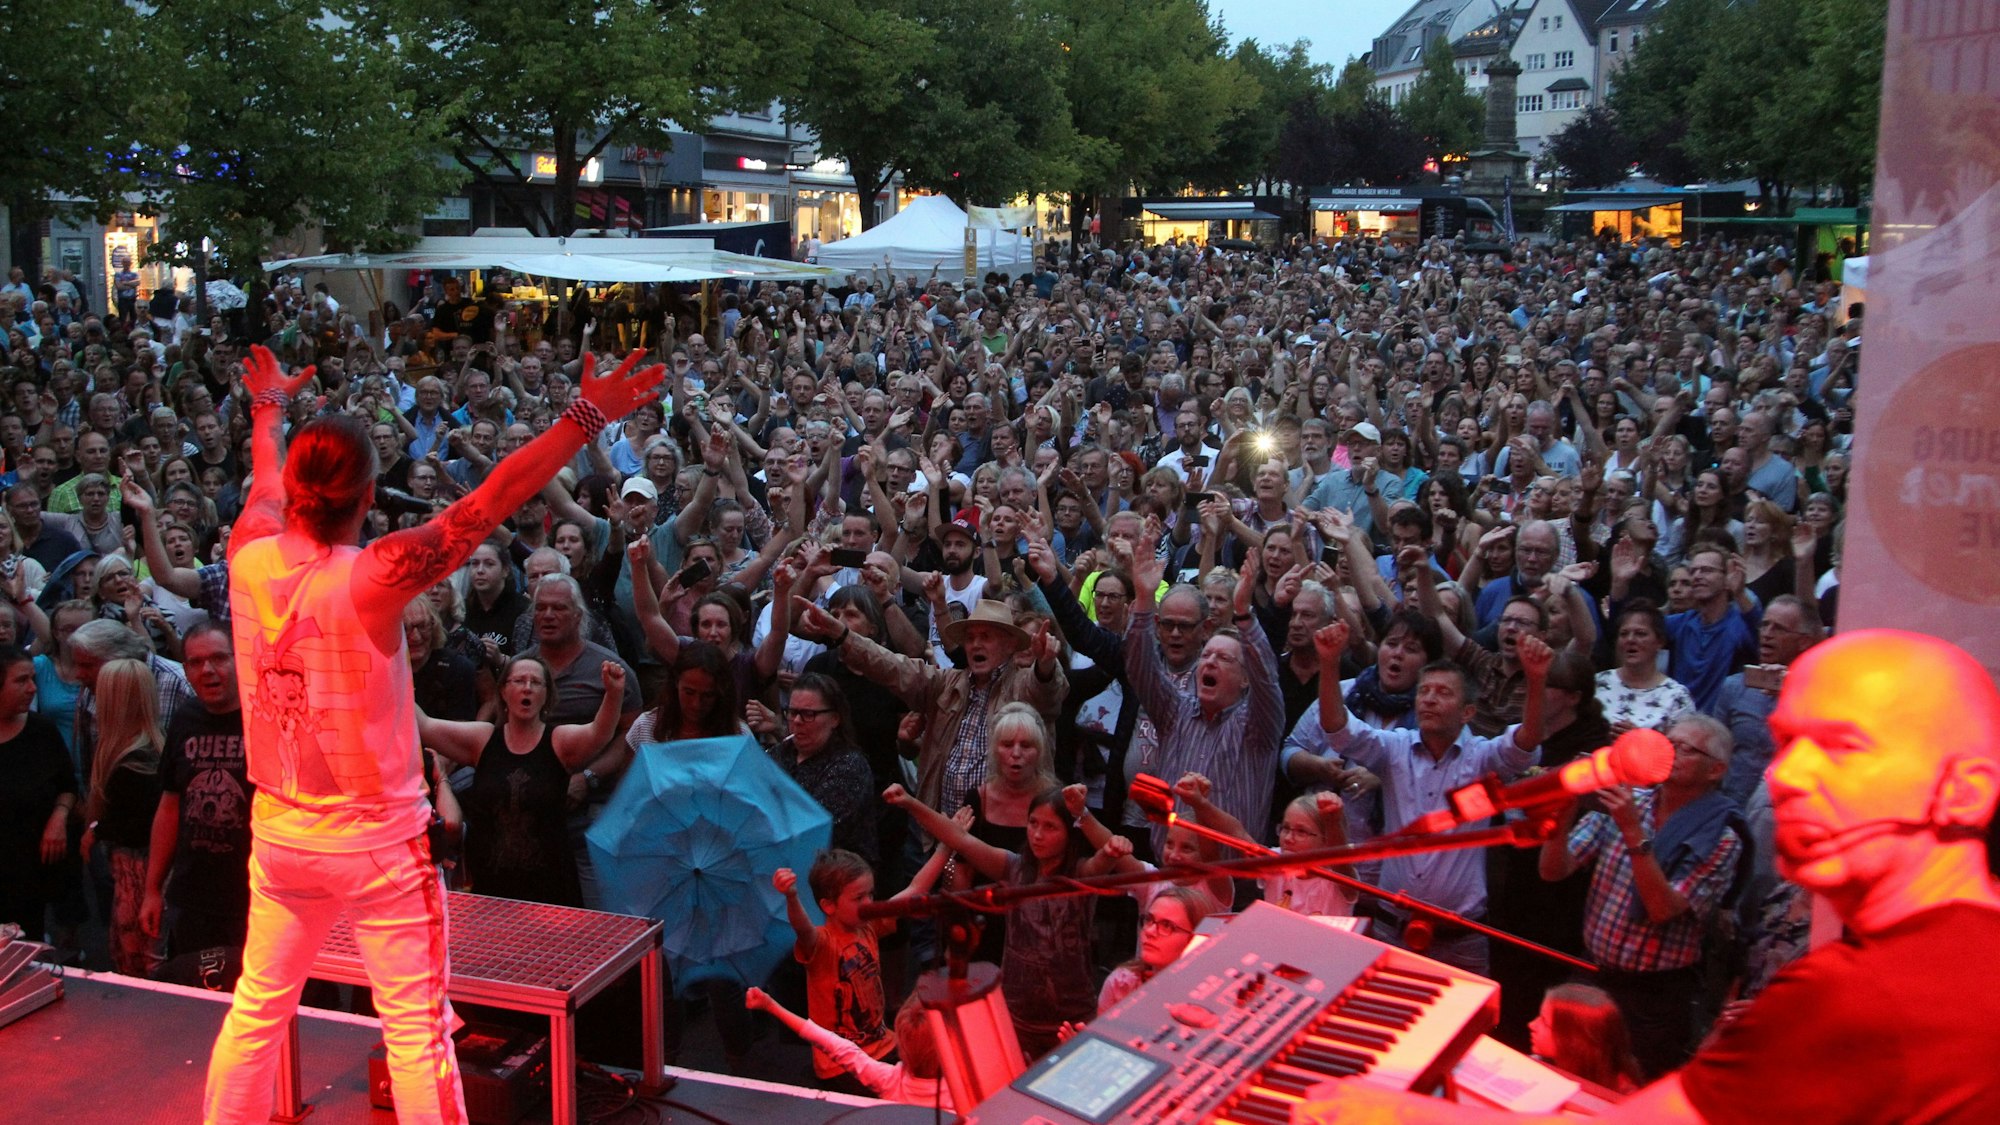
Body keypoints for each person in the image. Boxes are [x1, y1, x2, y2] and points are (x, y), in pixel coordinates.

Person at [203, 343, 661, 1125]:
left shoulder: (247, 554)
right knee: (415, 1032)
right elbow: (492, 497)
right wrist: (584, 418)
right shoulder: (372, 577)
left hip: (280, 829)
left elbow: (264, 484)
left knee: (256, 1009)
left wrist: (268, 410)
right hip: (377, 839)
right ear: (371, 492)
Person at [1302, 629, 2000, 1123]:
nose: (1788, 776)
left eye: (1843, 745)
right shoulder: (1920, 961)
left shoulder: (1861, 997)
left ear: (1965, 789)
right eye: (1787, 741)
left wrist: (1395, 1112)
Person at [1299, 620, 1551, 975]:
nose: (1430, 698)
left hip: (1461, 938)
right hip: (1392, 926)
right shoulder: (1395, 748)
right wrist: (1328, 664)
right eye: (1425, 691)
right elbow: (1339, 730)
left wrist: (1537, 680)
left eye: (1443, 693)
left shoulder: (1481, 759)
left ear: (1468, 712)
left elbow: (1525, 744)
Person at [1540, 714, 1747, 1079]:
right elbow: (1553, 871)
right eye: (1668, 743)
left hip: (1654, 997)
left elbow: (1662, 909)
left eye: (1685, 749)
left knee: (1632, 1093)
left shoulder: (1722, 835)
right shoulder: (1630, 798)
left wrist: (1634, 831)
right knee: (1565, 1078)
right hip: (1594, 971)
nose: (1670, 753)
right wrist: (1560, 818)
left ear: (1715, 771)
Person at [419, 656, 625, 907]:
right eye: (519, 680)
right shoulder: (483, 739)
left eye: (536, 682)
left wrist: (613, 693)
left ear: (546, 696)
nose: (527, 687)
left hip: (550, 888)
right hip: (490, 885)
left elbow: (599, 732)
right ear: (503, 691)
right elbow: (425, 725)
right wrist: (394, 674)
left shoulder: (559, 741)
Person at [771, 845, 948, 1092]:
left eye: (870, 895)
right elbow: (803, 929)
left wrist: (947, 846)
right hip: (840, 1063)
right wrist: (791, 896)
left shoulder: (868, 926)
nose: (868, 903)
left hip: (882, 1045)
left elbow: (915, 889)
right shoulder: (822, 943)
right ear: (828, 906)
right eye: (858, 898)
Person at [140, 622, 251, 961]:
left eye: (219, 658)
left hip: (257, 900)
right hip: (193, 897)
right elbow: (170, 805)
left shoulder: (265, 717)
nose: (208, 670)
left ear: (240, 659)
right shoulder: (185, 719)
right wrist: (152, 890)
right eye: (195, 662)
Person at [82, 656, 165, 977]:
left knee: (137, 955)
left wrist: (97, 829)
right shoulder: (150, 749)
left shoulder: (133, 763)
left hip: (138, 871)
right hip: (143, 869)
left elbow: (136, 826)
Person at [744, 988, 951, 1111]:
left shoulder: (890, 1081)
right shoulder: (966, 1092)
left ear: (903, 1046)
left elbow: (835, 1045)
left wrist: (771, 1006)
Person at [0, 645, 78, 940]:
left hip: (29, 870)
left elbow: (67, 787)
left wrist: (58, 818)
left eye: (33, 679)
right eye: (21, 681)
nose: (32, 688)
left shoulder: (41, 731)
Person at [1096, 885, 1215, 1011]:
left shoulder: (1211, 993)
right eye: (1149, 919)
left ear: (1196, 938)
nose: (1149, 931)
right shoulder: (1121, 983)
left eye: (1167, 925)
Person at [1529, 984, 1646, 1094]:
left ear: (1574, 1039)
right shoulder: (1539, 1064)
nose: (1532, 1025)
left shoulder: (1620, 1098)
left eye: (1544, 1021)